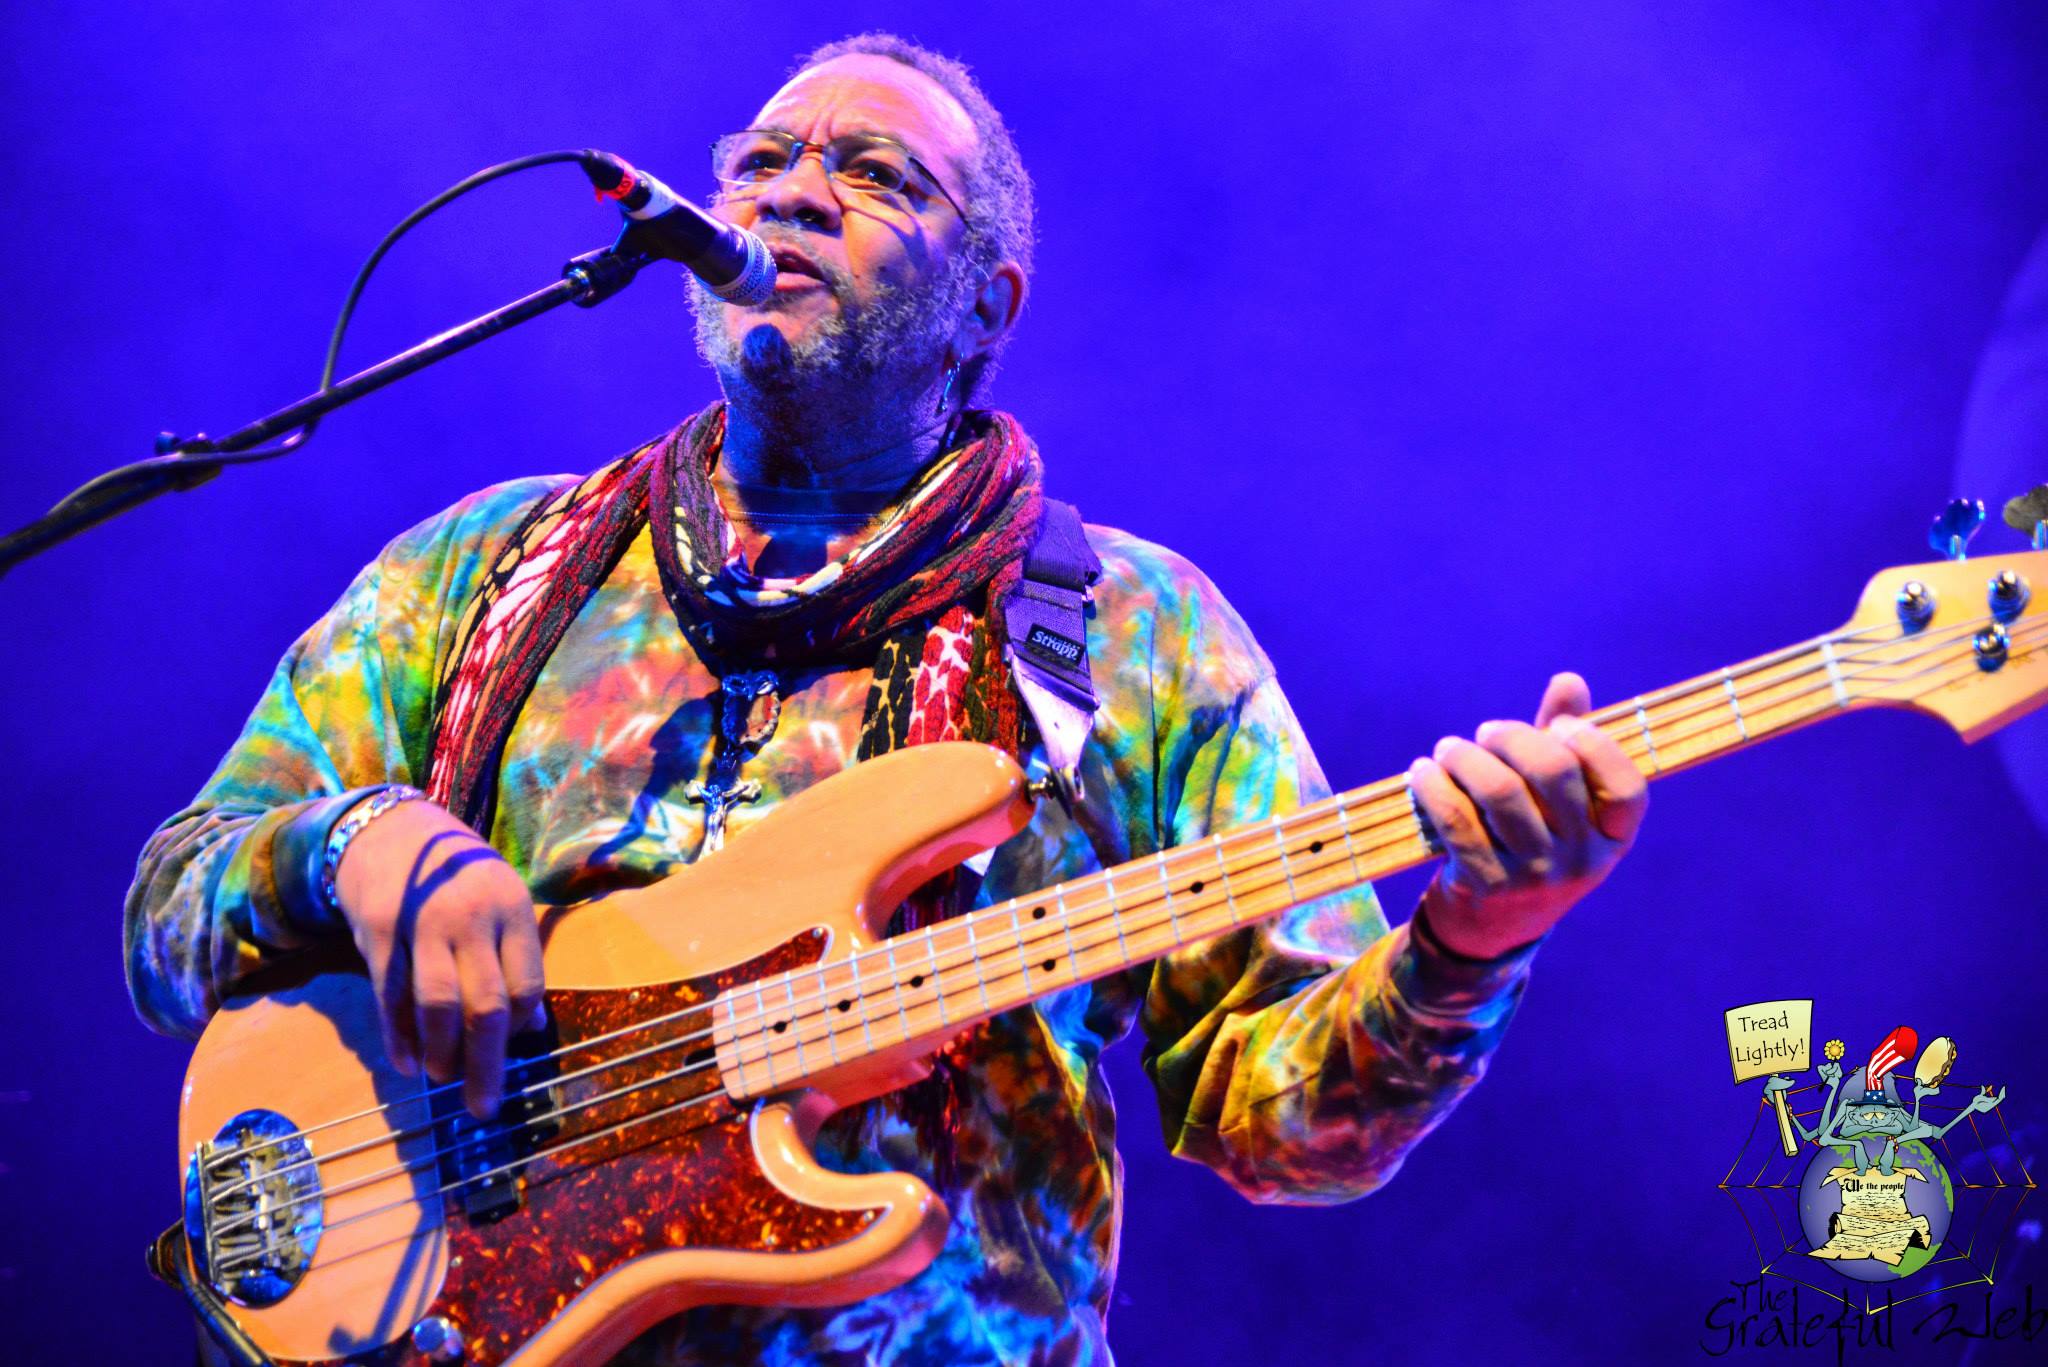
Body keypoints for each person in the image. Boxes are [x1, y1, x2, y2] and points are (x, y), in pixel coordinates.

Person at [125, 32, 1648, 1366]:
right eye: (761, 162)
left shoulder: (1134, 634)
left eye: (873, 175)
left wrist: (1476, 937)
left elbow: (1289, 1123)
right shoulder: (481, 569)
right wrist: (355, 843)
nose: (792, 193)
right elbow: (169, 914)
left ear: (985, 306)